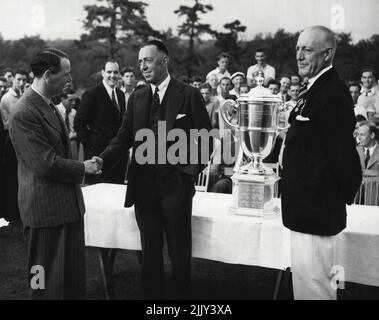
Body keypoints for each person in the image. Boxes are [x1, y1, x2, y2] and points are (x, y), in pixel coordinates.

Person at [96, 40, 212, 299]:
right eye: (139, 62)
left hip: (176, 187)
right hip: (143, 187)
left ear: (164, 60)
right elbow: (122, 138)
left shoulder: (188, 94)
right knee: (149, 251)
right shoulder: (136, 97)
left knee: (179, 252)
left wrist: (187, 174)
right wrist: (102, 160)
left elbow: (206, 139)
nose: (142, 66)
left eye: (147, 60)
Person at [8, 48, 101, 299]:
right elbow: (45, 163)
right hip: (45, 214)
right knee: (42, 284)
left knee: (71, 283)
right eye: (66, 75)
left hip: (66, 209)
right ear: (48, 75)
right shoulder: (24, 112)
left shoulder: (48, 105)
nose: (70, 81)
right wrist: (83, 167)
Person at [280, 26, 362, 300]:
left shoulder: (332, 95)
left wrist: (331, 199)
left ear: (327, 54)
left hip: (317, 210)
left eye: (307, 50)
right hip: (305, 209)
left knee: (316, 287)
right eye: (297, 49)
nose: (299, 56)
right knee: (305, 285)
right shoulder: (314, 90)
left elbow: (343, 158)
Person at [74, 60, 127, 184]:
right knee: (99, 195)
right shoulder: (92, 94)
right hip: (98, 155)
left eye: (115, 72)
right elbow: (79, 123)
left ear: (119, 74)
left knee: (116, 195)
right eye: (109, 72)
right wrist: (91, 145)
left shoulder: (120, 94)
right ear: (103, 73)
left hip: (118, 156)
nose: (112, 75)